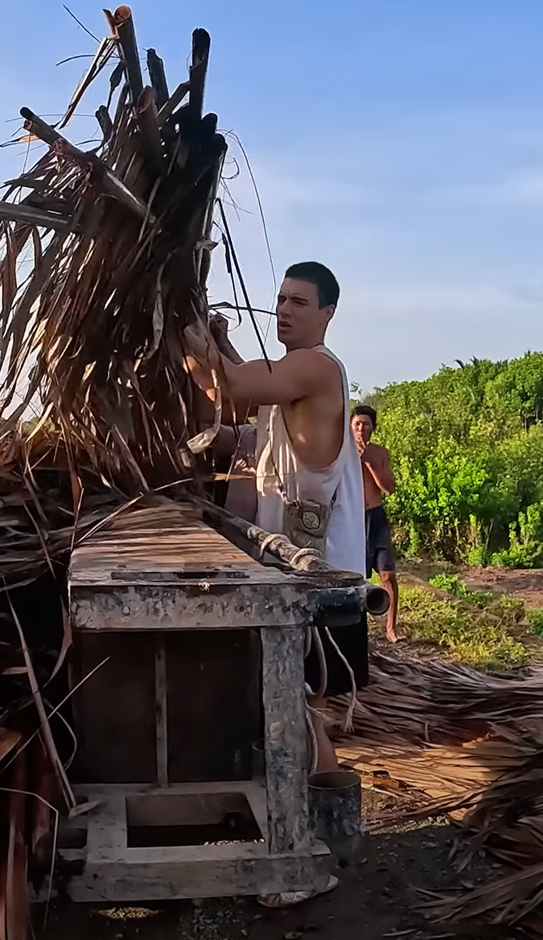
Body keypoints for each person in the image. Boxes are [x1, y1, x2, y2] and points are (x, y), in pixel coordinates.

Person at [183, 261, 362, 907]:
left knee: (293, 707)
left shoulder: (316, 366)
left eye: (300, 301)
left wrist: (180, 320)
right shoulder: (291, 384)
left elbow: (231, 385)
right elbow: (244, 403)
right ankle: (324, 839)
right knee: (294, 707)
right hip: (288, 575)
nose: (285, 309)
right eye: (281, 299)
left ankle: (311, 856)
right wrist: (214, 338)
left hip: (316, 580)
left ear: (327, 312)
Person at [351, 404, 400, 642]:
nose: (360, 429)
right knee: (355, 575)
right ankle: (357, 627)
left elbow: (388, 488)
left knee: (388, 576)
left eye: (366, 424)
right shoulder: (341, 454)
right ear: (350, 427)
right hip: (352, 518)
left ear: (373, 428)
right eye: (357, 424)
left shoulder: (380, 453)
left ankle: (391, 628)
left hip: (376, 517)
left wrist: (369, 461)